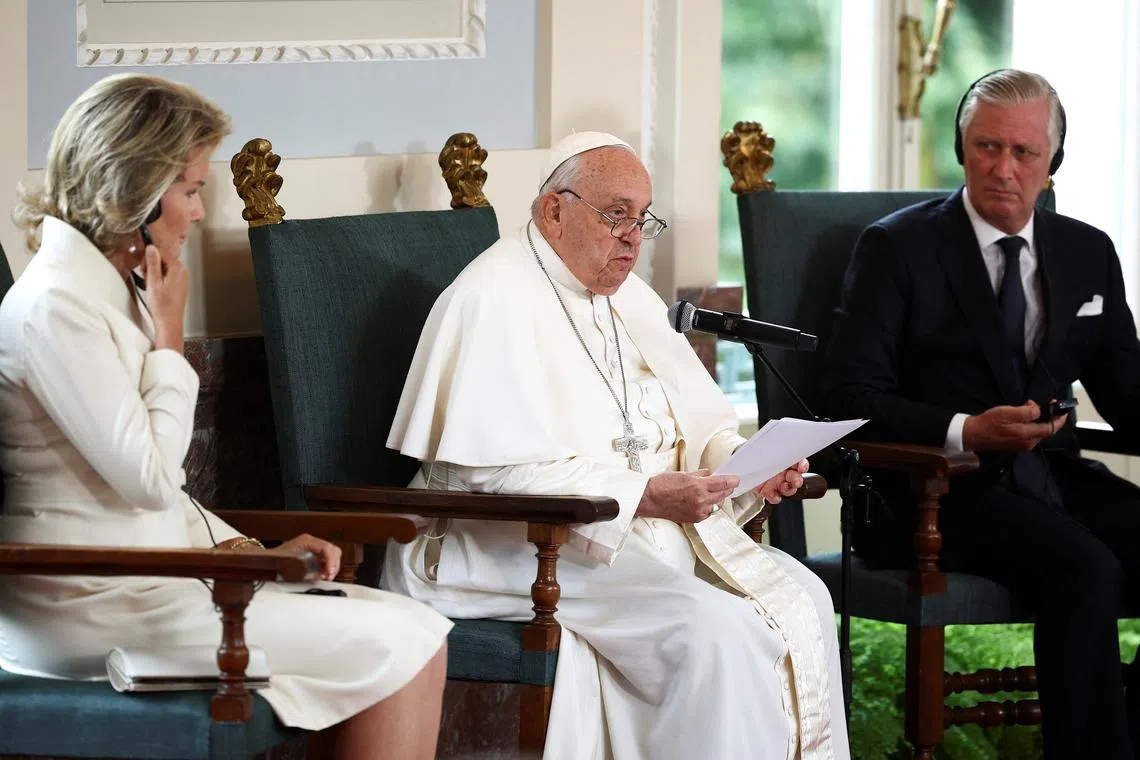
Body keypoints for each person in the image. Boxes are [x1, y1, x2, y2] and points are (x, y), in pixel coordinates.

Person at [0, 74, 451, 760]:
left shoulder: (117, 289)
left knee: (416, 627)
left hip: (152, 582)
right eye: (190, 189)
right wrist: (173, 342)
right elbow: (150, 478)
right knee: (401, 642)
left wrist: (246, 551)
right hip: (88, 607)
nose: (201, 212)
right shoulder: (55, 307)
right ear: (138, 192)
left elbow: (161, 494)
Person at [383, 131, 850, 760]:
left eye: (642, 218)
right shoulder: (488, 298)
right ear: (554, 210)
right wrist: (646, 496)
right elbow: (489, 477)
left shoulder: (629, 296)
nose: (633, 237)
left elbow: (690, 421)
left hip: (630, 535)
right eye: (616, 215)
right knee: (712, 631)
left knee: (808, 598)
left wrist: (739, 468)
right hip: (510, 546)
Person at [822, 68, 1140, 759]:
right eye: (985, 147)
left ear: (1052, 163)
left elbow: (1130, 396)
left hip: (1049, 477)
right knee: (1084, 568)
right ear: (961, 146)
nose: (1002, 168)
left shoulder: (1089, 253)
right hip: (932, 492)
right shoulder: (895, 248)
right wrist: (966, 430)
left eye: (1023, 153)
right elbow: (849, 400)